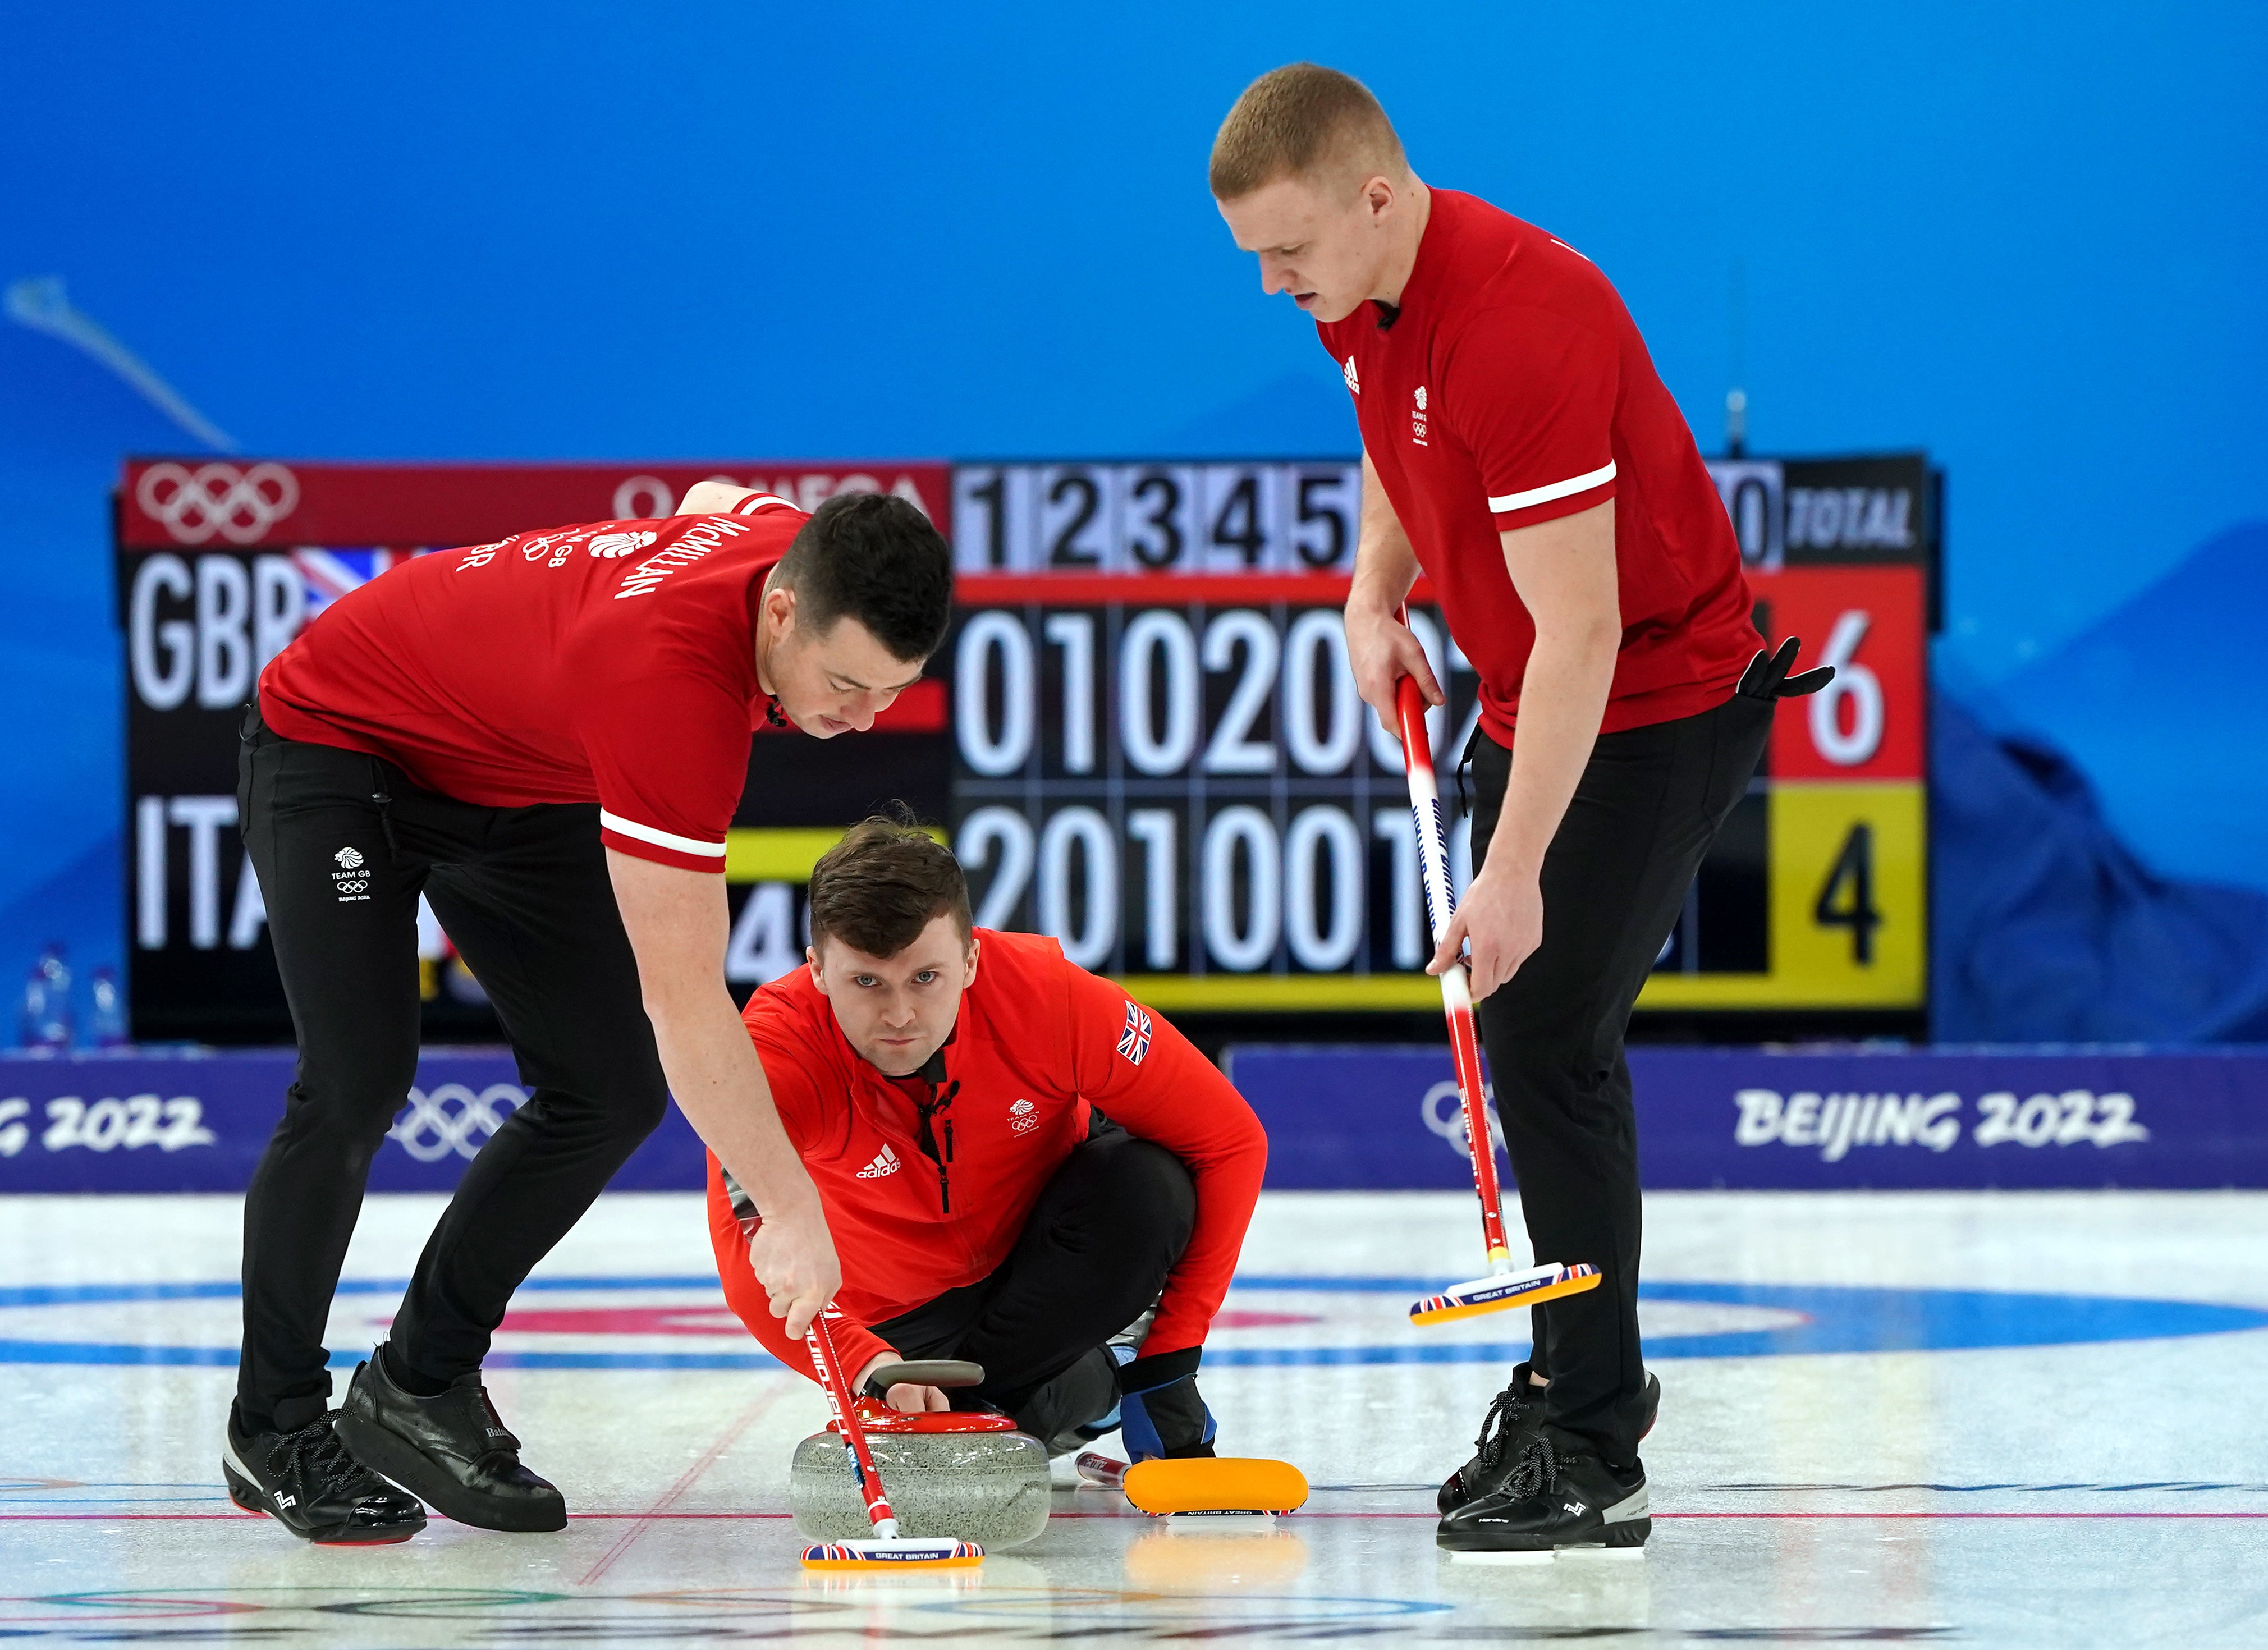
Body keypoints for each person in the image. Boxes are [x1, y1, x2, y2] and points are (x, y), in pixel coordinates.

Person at [1209, 65, 1830, 1552]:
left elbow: (1587, 631)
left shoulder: (1519, 323)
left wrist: (1514, 866)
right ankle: (1562, 1373)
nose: (1271, 283)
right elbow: (1393, 435)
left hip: (1658, 698)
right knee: (1531, 1026)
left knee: (1551, 1031)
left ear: (1376, 197)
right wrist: (1373, 591)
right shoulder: (1362, 291)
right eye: (1255, 257)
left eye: (1286, 249)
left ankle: (1597, 1441)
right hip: (1537, 691)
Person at [223, 487, 952, 1543]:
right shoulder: (670, 693)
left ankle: (420, 1381)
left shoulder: (787, 542)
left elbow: (710, 499)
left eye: (892, 691)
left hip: (509, 772)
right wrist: (789, 1207)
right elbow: (683, 997)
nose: (863, 718)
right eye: (845, 684)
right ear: (782, 611)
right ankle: (273, 1420)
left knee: (608, 1087)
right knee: (356, 1079)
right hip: (342, 743)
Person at [704, 815, 1268, 1461]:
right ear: (818, 971)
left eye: (926, 978)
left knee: (1148, 1184)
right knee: (1051, 1402)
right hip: (898, 1328)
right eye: (867, 982)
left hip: (1047, 1269)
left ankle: (1059, 1391)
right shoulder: (778, 1051)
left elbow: (1229, 1141)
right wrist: (866, 1365)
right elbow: (746, 1258)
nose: (900, 1016)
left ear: (971, 959)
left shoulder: (1046, 998)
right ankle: (1059, 1398)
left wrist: (1171, 1358)